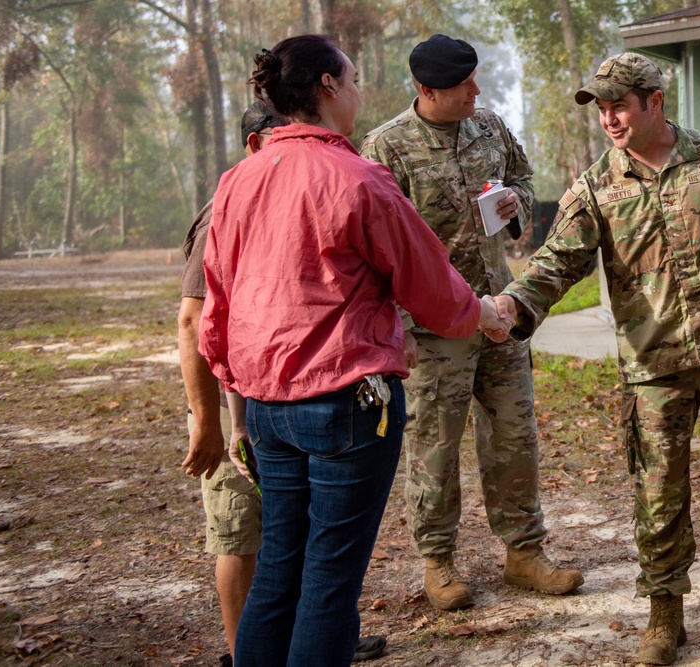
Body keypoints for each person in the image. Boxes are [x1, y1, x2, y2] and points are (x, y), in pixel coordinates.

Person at [199, 35, 508, 667]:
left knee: (281, 563)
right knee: (328, 580)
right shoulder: (357, 176)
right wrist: (486, 314)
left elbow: (218, 300)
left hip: (265, 407)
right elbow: (431, 284)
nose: (362, 90)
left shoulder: (238, 179)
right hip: (345, 405)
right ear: (328, 87)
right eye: (355, 77)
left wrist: (238, 386)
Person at [492, 52, 700, 665]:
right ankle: (665, 616)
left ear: (654, 101)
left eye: (619, 105)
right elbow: (556, 263)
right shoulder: (596, 186)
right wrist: (512, 305)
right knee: (659, 497)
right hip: (654, 366)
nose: (609, 118)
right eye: (601, 108)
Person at [359, 33, 583, 611]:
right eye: (463, 85)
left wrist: (515, 203)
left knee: (514, 434)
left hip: (498, 313)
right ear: (426, 89)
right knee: (435, 444)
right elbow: (372, 246)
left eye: (475, 80)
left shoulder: (489, 128)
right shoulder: (386, 148)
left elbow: (527, 183)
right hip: (435, 327)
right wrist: (399, 328)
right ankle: (438, 562)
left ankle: (524, 552)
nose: (475, 92)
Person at [178, 100, 386, 666]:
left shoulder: (292, 191)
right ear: (256, 145)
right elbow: (198, 321)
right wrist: (213, 421)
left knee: (295, 556)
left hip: (276, 397)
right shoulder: (231, 202)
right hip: (250, 401)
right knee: (257, 541)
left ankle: (305, 642)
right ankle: (245, 648)